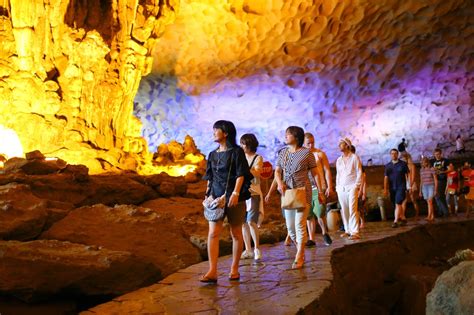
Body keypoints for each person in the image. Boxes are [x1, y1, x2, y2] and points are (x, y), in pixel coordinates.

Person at [200, 120, 251, 283]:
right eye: (214, 130)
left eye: (217, 130)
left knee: (236, 233)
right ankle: (212, 270)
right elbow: (210, 177)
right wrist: (207, 194)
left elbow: (241, 173)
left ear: (226, 133)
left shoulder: (236, 152)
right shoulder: (212, 154)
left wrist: (236, 193)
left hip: (234, 196)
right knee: (213, 233)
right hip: (216, 197)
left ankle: (234, 269)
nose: (214, 132)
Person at [275, 126, 324, 269]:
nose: (285, 137)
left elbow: (315, 173)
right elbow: (277, 172)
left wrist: (320, 191)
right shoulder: (283, 153)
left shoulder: (307, 153)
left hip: (304, 191)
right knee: (290, 228)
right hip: (288, 193)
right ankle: (300, 250)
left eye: (288, 134)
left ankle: (299, 256)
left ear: (296, 137)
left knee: (300, 225)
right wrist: (279, 183)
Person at [303, 133, 333, 247]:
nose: (310, 145)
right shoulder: (302, 155)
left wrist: (329, 186)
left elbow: (327, 170)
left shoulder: (319, 154)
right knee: (309, 214)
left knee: (320, 212)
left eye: (312, 142)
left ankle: (325, 232)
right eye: (308, 143)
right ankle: (311, 239)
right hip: (306, 188)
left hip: (319, 186)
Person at [240, 133, 264, 260]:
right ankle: (247, 249)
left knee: (251, 221)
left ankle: (257, 248)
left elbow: (257, 173)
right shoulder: (240, 157)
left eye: (243, 143)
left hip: (253, 192)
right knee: (243, 222)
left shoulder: (258, 158)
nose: (241, 146)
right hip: (241, 193)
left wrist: (243, 168)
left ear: (249, 144)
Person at [336, 138, 362, 240]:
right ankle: (347, 230)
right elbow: (338, 174)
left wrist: (357, 185)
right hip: (341, 188)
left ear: (347, 145)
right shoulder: (339, 160)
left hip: (352, 187)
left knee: (352, 208)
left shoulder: (354, 157)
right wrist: (337, 187)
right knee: (344, 209)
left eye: (341, 144)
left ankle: (355, 232)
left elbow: (359, 172)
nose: (339, 146)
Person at [384, 148, 409, 228]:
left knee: (398, 202)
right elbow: (386, 177)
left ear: (397, 154)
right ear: (390, 155)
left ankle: (395, 221)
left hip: (401, 186)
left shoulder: (403, 164)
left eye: (395, 153)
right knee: (395, 204)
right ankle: (403, 218)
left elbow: (407, 175)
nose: (393, 155)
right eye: (392, 153)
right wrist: (385, 189)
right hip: (392, 187)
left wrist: (409, 185)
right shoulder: (388, 166)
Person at [350, 145, 367, 228]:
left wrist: (363, 192)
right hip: (350, 187)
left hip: (357, 188)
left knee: (359, 207)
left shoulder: (357, 162)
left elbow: (363, 177)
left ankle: (362, 221)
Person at [431, 148, 449, 217]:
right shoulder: (432, 161)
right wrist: (432, 169)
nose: (437, 156)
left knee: (440, 196)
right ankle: (441, 211)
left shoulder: (445, 160)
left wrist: (442, 172)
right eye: (435, 154)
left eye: (438, 154)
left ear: (441, 154)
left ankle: (445, 212)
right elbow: (430, 169)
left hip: (442, 179)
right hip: (435, 180)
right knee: (436, 196)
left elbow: (450, 169)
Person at [402, 153, 420, 220]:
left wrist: (410, 185)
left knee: (413, 199)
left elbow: (413, 176)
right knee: (404, 200)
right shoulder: (403, 166)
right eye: (402, 159)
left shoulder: (412, 166)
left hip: (411, 182)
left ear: (407, 159)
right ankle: (403, 215)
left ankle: (417, 215)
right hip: (405, 183)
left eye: (404, 159)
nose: (403, 160)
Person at [419, 157, 437, 222]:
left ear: (427, 162)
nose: (424, 163)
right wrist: (420, 191)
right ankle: (432, 216)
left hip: (431, 186)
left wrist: (435, 189)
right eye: (422, 162)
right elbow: (421, 181)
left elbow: (435, 179)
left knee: (430, 201)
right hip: (424, 187)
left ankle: (429, 216)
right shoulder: (421, 170)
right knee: (429, 202)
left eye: (425, 162)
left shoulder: (431, 169)